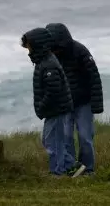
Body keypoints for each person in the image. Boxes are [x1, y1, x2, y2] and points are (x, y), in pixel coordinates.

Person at [46, 23, 103, 176]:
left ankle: (88, 169)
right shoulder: (49, 56)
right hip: (65, 105)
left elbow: (94, 77)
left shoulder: (80, 51)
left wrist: (97, 104)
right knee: (66, 137)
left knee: (85, 136)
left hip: (84, 102)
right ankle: (71, 168)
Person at [21, 27, 77, 177]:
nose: (29, 51)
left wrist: (42, 106)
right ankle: (71, 166)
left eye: (30, 47)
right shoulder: (43, 61)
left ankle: (58, 172)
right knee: (48, 141)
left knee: (53, 142)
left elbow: (53, 90)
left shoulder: (48, 64)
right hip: (53, 110)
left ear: (38, 45)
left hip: (56, 110)